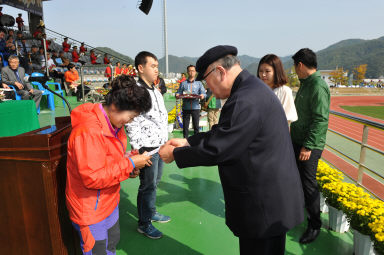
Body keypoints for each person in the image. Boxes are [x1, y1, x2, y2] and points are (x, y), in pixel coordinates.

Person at [159, 45, 304, 255]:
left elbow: (220, 148)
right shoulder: (250, 89)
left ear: (220, 72)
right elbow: (225, 132)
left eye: (207, 83)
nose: (209, 89)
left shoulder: (245, 98)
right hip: (270, 200)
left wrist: (175, 154)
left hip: (262, 205)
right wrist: (188, 142)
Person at [66, 75, 153, 254]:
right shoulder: (89, 131)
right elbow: (93, 177)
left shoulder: (115, 126)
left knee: (111, 244)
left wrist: (129, 163)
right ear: (115, 106)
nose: (131, 121)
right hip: (91, 210)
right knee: (98, 250)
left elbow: (107, 161)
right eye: (132, 115)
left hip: (109, 201)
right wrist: (128, 164)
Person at [125, 51, 169, 239]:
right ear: (141, 68)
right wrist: (139, 148)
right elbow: (130, 121)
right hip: (146, 149)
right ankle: (144, 223)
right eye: (153, 66)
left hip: (158, 145)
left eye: (157, 66)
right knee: (147, 185)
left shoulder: (154, 89)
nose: (156, 70)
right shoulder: (136, 90)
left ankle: (150, 211)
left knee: (154, 182)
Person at [290, 48, 330, 244]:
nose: (295, 71)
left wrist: (308, 146)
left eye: (295, 67)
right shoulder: (306, 84)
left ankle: (315, 225)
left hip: (308, 146)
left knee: (308, 184)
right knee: (297, 181)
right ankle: (299, 215)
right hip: (298, 141)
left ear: (300, 65)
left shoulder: (317, 85)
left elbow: (321, 119)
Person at [257, 54, 298, 125]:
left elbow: (287, 120)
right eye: (261, 71)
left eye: (267, 71)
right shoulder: (257, 91)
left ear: (276, 72)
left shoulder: (284, 91)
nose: (263, 74)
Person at [175, 65, 206, 138]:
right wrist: (177, 95)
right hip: (186, 107)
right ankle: (185, 142)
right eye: (189, 71)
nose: (191, 72)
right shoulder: (183, 83)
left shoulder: (199, 83)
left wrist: (202, 95)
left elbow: (204, 93)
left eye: (193, 71)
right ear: (187, 72)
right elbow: (179, 92)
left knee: (196, 126)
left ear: (195, 72)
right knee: (185, 127)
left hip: (196, 107)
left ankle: (196, 143)